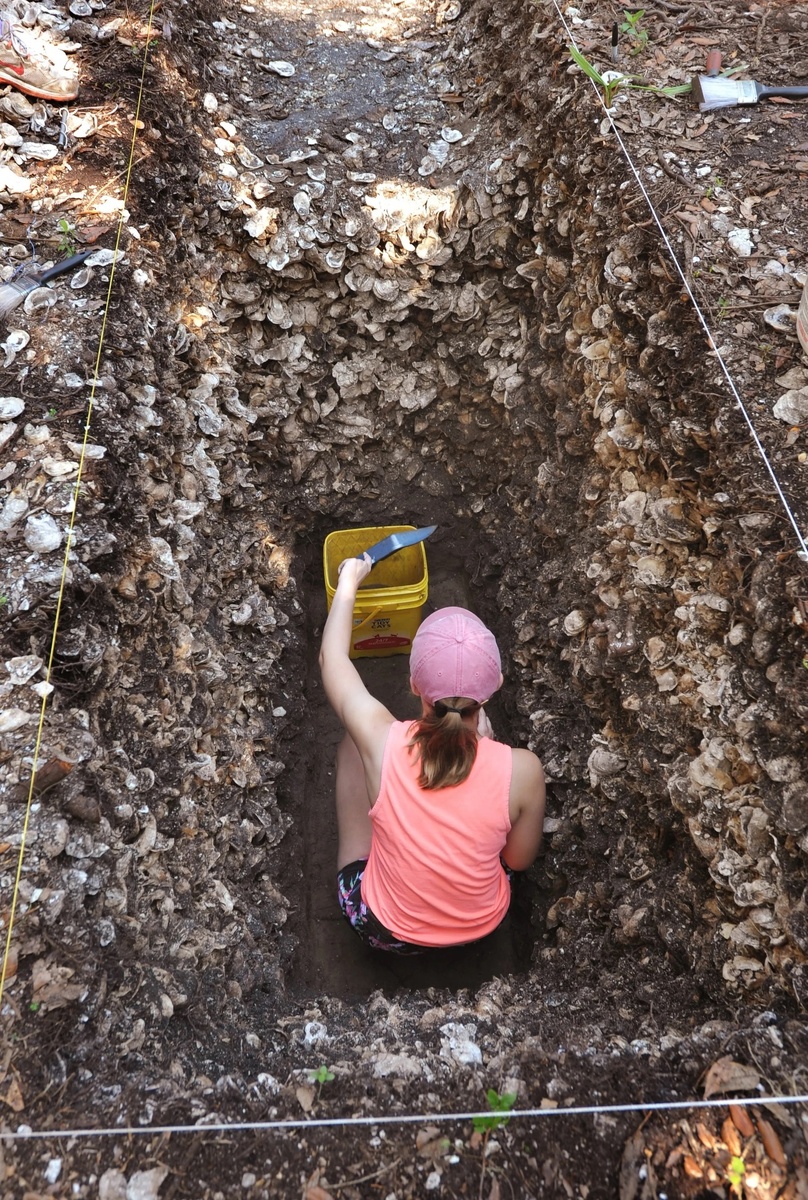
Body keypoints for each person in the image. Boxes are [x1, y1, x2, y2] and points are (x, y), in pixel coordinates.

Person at [319, 552, 546, 953]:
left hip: (383, 931)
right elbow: (518, 860)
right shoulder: (523, 769)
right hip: (479, 928)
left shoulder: (380, 741)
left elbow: (331, 659)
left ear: (412, 685)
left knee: (352, 748)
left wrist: (350, 580)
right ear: (494, 689)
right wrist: (490, 752)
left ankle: (361, 856)